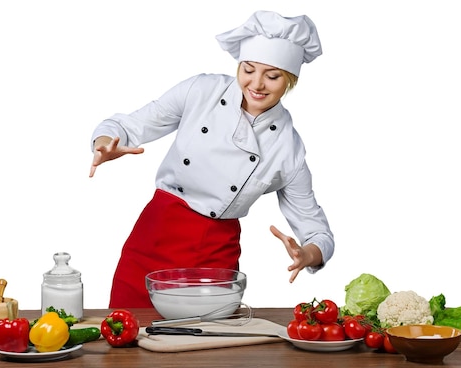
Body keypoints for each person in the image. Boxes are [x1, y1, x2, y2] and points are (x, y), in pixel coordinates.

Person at [89, 10, 335, 308]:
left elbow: (317, 231)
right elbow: (128, 125)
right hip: (156, 234)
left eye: (272, 76)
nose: (256, 84)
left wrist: (308, 254)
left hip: (214, 256)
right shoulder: (201, 91)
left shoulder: (288, 148)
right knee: (125, 332)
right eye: (248, 69)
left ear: (290, 80)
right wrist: (105, 144)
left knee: (201, 347)